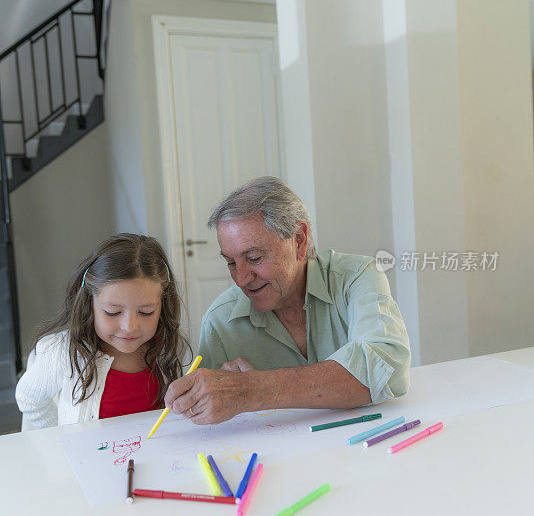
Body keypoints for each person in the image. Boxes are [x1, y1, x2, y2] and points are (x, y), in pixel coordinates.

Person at [165, 177, 411, 425]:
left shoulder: (356, 277)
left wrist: (249, 389)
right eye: (230, 262)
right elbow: (205, 422)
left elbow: (388, 369)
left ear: (299, 240)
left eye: (254, 258)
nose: (240, 279)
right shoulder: (220, 322)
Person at [16, 233, 190, 429]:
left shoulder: (170, 349)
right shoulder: (62, 351)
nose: (129, 327)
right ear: (89, 304)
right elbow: (29, 400)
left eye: (146, 312)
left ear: (163, 307)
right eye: (112, 312)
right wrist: (60, 437)